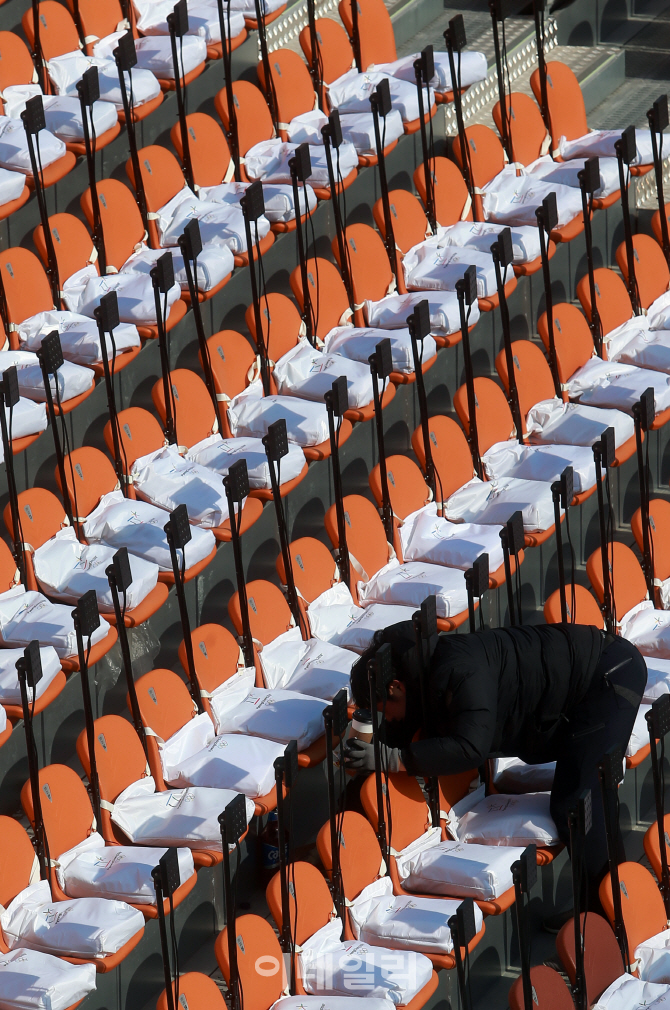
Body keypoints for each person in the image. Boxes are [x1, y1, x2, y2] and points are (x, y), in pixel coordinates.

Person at [345, 622, 647, 911]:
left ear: (396, 687)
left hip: (608, 679)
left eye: (386, 710)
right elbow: (400, 727)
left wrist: (394, 759)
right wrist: (358, 766)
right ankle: (611, 906)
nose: (392, 718)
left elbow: (470, 747)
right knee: (588, 802)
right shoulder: (421, 671)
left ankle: (606, 919)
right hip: (593, 675)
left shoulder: (457, 670)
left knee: (580, 805)